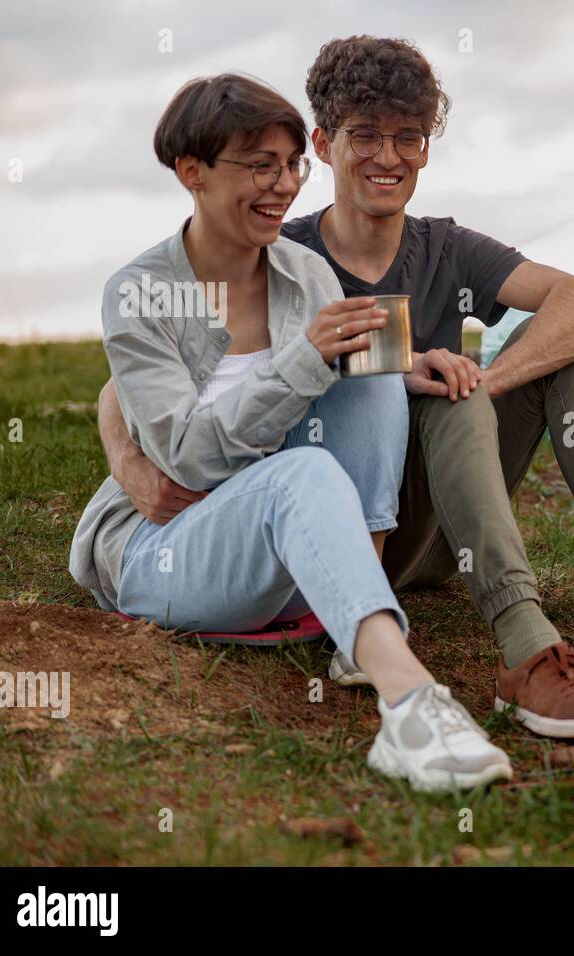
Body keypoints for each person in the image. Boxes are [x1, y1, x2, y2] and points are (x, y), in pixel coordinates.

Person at [99, 36, 574, 740]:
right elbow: (133, 380)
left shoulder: (442, 249)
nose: (388, 157)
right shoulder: (276, 249)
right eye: (366, 136)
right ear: (325, 145)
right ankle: (520, 644)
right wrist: (128, 460)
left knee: (552, 363)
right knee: (392, 381)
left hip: (442, 519)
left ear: (425, 149)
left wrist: (485, 379)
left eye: (408, 138)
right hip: (327, 514)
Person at [70, 73, 511, 793]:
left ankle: (353, 635)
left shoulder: (303, 271)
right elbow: (187, 460)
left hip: (277, 545)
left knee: (369, 375)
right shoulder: (140, 291)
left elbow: (331, 381)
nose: (283, 186)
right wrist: (307, 358)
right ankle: (410, 700)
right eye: (258, 166)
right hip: (168, 551)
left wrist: (404, 366)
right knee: (303, 472)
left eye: (290, 165)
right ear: (192, 172)